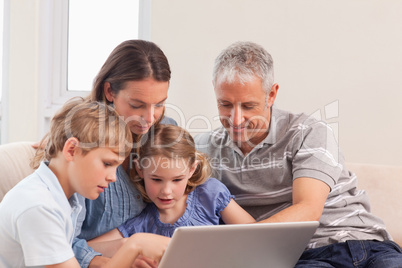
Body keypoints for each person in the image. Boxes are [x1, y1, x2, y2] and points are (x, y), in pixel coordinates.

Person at [194, 41, 402, 267]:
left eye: (248, 106)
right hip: (304, 258)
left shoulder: (308, 132)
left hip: (364, 244)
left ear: (271, 95)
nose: (235, 120)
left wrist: (244, 244)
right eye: (225, 104)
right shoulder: (203, 150)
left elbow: (308, 209)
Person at [0, 98, 169, 268]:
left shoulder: (64, 200)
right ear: (71, 150)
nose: (113, 178)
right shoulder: (39, 206)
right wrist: (134, 245)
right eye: (107, 164)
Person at [70, 40, 177, 267]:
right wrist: (118, 260)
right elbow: (61, 245)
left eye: (159, 104)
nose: (149, 118)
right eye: (137, 105)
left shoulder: (165, 131)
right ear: (109, 91)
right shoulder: (82, 145)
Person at [84, 125, 254, 250]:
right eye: (157, 179)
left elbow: (254, 234)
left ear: (191, 169)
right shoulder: (140, 223)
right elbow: (90, 247)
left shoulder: (210, 193)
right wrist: (131, 244)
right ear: (140, 170)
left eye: (177, 180)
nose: (166, 191)